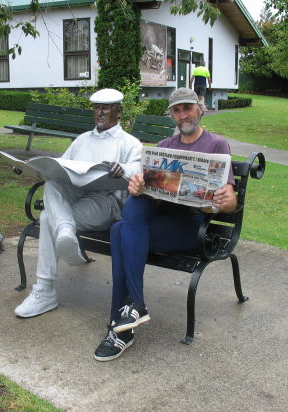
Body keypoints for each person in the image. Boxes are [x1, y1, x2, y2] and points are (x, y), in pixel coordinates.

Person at [94, 88, 237, 361]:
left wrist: (226, 199)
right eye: (177, 110)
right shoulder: (163, 147)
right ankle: (134, 308)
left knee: (119, 230)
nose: (183, 115)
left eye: (187, 108)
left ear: (199, 108)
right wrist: (136, 185)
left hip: (191, 226)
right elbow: (147, 193)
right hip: (160, 219)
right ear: (171, 114)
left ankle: (121, 325)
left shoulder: (217, 145)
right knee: (132, 209)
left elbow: (229, 203)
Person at [14, 88, 143, 318]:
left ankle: (45, 289)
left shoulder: (129, 143)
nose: (100, 112)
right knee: (53, 186)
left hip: (106, 203)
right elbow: (60, 167)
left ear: (119, 110)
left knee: (46, 218)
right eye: (96, 108)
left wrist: (122, 169)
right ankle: (65, 233)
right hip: (77, 197)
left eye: (106, 108)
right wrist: (37, 169)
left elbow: (138, 171)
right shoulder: (82, 140)